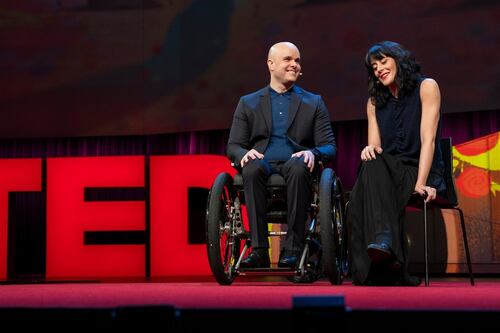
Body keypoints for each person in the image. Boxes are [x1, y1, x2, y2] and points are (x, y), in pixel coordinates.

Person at [227, 41, 336, 268]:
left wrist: (313, 153)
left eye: (297, 60)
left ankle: (293, 249)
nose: (294, 64)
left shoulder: (313, 102)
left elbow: (329, 146)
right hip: (262, 163)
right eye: (288, 59)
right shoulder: (248, 102)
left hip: (295, 164)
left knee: (298, 166)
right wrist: (244, 154)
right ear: (271, 64)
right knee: (252, 166)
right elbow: (234, 146)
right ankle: (259, 250)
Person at [348, 41, 446, 286]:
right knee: (370, 161)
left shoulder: (426, 87)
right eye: (373, 66)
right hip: (386, 174)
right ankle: (384, 248)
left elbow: (428, 140)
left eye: (383, 61)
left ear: (398, 60)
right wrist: (368, 149)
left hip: (418, 171)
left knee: (365, 185)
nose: (379, 69)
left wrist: (422, 183)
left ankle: (383, 252)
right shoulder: (374, 101)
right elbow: (375, 148)